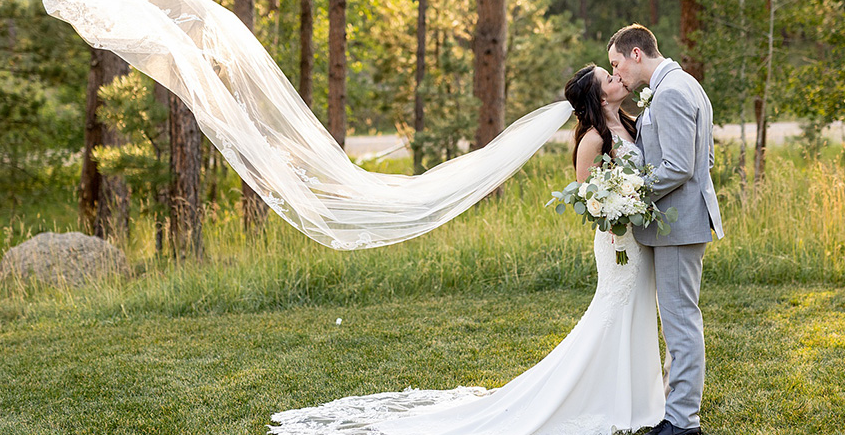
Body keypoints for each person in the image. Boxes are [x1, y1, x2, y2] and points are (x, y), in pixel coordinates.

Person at [269, 64, 667, 435]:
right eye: (609, 79)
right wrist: (617, 207)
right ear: (600, 98)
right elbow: (590, 199)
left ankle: (634, 396)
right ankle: (600, 399)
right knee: (614, 313)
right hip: (617, 242)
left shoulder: (632, 125)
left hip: (639, 239)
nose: (619, 79)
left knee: (636, 313)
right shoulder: (594, 140)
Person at [607, 24, 724, 435]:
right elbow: (702, 156)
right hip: (681, 220)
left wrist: (633, 195)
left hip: (678, 225)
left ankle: (682, 423)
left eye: (617, 63)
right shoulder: (680, 83)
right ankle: (675, 411)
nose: (616, 74)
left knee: (681, 323)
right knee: (678, 319)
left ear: (636, 54)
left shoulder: (672, 91)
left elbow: (680, 165)